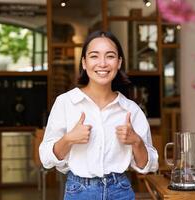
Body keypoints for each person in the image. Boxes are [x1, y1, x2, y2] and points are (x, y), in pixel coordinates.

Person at [39, 30, 159, 200]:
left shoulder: (130, 109)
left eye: (110, 56)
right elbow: (46, 159)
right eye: (94, 56)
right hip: (79, 191)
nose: (102, 63)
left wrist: (136, 141)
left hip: (121, 191)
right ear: (84, 63)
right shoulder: (65, 103)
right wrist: (68, 139)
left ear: (118, 63)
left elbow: (147, 166)